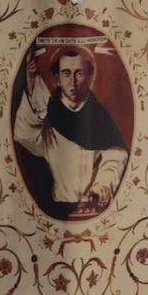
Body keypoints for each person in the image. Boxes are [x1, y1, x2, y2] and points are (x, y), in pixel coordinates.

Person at [14, 46, 129, 218]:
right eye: (66, 73)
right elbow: (28, 137)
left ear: (90, 78)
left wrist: (100, 188)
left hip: (93, 208)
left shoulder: (99, 117)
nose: (73, 82)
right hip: (56, 207)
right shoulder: (49, 116)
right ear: (57, 79)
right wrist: (31, 87)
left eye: (79, 73)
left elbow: (115, 156)